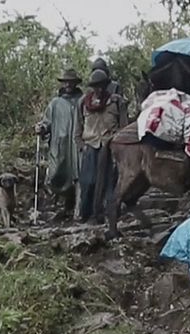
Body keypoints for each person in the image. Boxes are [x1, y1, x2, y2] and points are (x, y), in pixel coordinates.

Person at [78, 69, 127, 223]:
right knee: (88, 182)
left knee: (109, 183)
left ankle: (107, 215)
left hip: (110, 146)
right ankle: (86, 214)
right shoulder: (83, 102)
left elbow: (123, 127)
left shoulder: (116, 102)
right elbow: (78, 128)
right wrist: (81, 145)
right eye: (95, 86)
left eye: (101, 86)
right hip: (91, 145)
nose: (98, 89)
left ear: (106, 86)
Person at [35, 68, 83, 222]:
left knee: (78, 174)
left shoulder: (82, 100)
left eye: (71, 81)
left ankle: (78, 208)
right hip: (59, 144)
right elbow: (47, 122)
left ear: (75, 83)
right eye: (65, 81)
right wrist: (41, 128)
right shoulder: (55, 103)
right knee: (56, 173)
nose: (68, 84)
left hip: (78, 144)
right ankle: (59, 206)